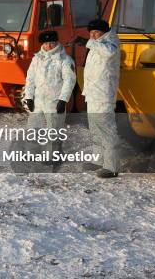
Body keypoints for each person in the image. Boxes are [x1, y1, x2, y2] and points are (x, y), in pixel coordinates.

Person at [23, 30, 76, 161]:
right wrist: (29, 96)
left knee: (54, 128)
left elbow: (69, 81)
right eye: (46, 43)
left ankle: (52, 155)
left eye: (51, 43)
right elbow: (30, 78)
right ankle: (31, 152)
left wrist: (63, 100)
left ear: (57, 42)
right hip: (38, 100)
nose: (48, 47)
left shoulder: (65, 60)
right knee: (33, 127)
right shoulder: (37, 58)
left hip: (54, 101)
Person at [81, 19, 121, 178]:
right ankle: (98, 160)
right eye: (90, 33)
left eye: (96, 32)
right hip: (92, 93)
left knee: (106, 129)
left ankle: (112, 166)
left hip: (104, 94)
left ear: (104, 31)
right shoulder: (97, 43)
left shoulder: (112, 43)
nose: (93, 36)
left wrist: (88, 42)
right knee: (95, 128)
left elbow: (109, 53)